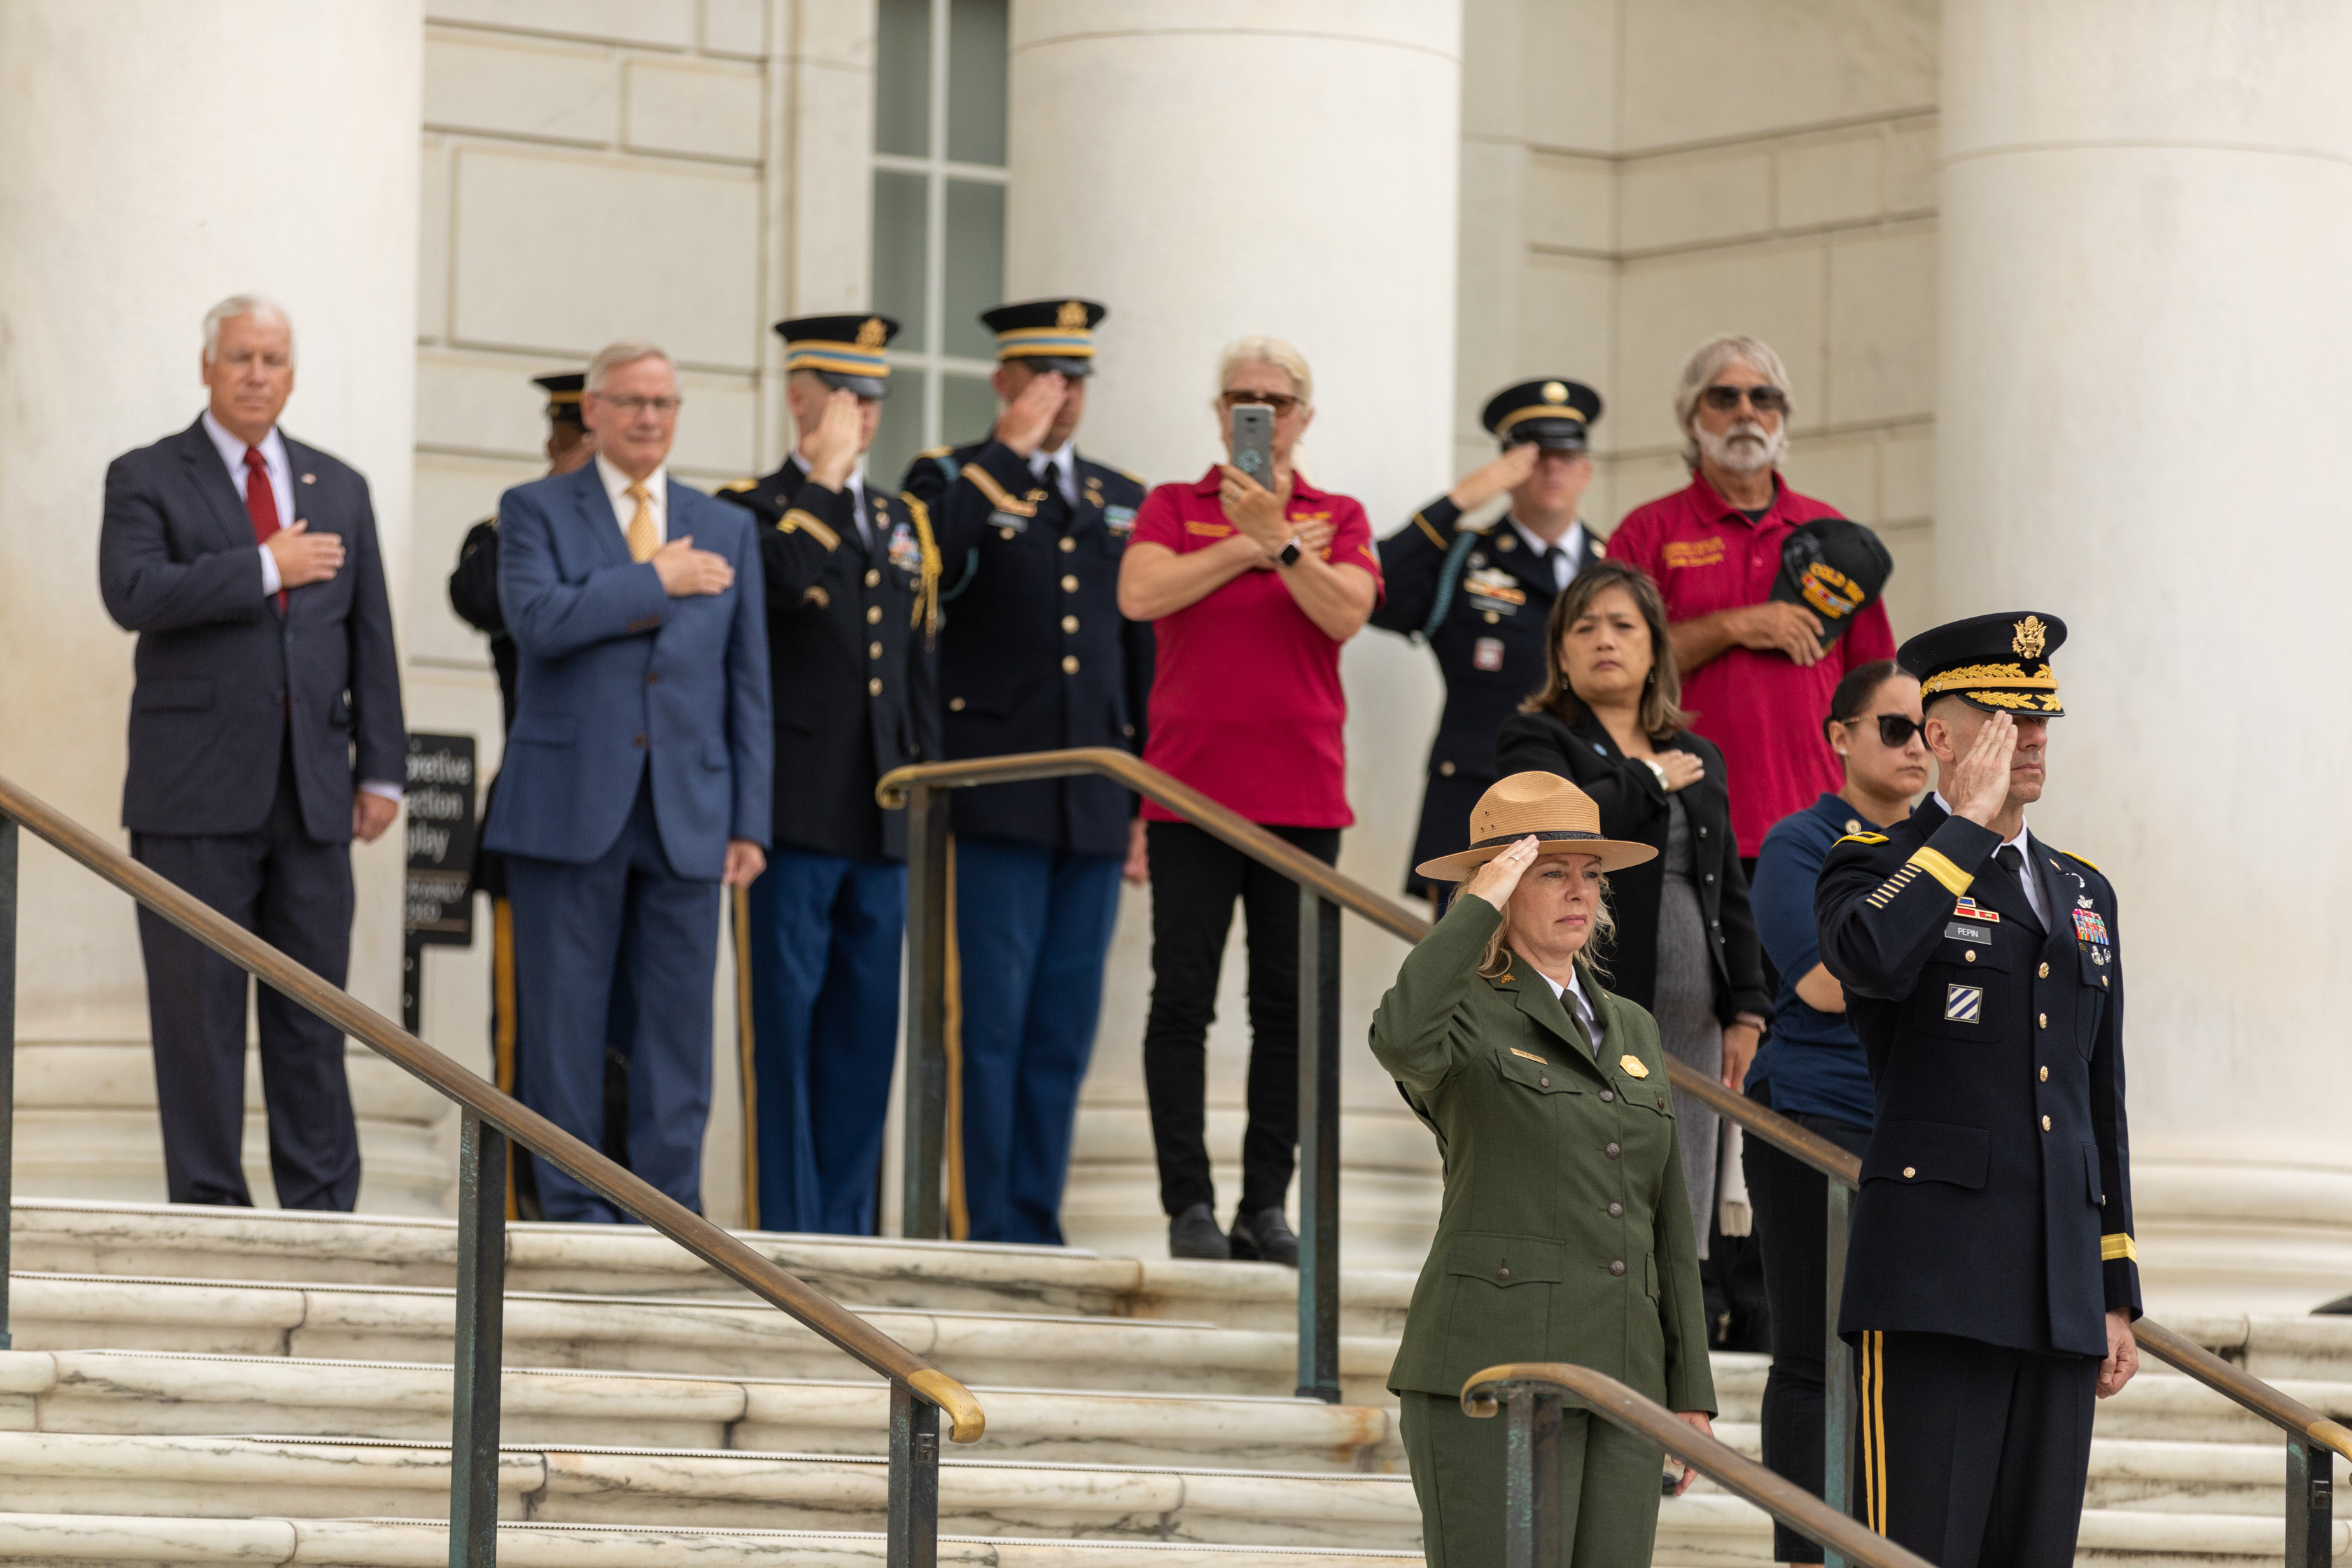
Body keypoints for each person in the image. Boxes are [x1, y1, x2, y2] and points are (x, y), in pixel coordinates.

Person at [1816, 612, 2138, 1567]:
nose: (2032, 738)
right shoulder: (1873, 863)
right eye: (2004, 718)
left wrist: (2115, 1285)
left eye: (2042, 718)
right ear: (1940, 737)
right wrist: (1959, 828)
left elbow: (2098, 1097)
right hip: (1934, 1278)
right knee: (1914, 1550)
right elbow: (1868, 961)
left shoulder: (2082, 891)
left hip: (2057, 1289)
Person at [97, 294, 404, 1211]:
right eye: (240, 357)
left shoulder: (337, 484)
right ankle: (209, 1208)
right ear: (207, 367)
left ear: (293, 372)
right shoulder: (146, 475)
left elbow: (370, 634)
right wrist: (265, 565)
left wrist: (381, 768)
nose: (257, 375)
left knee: (315, 1011)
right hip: (192, 795)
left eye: (273, 358)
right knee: (198, 1018)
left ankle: (322, 1212)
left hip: (312, 792)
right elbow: (133, 593)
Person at [1373, 771, 1715, 1565]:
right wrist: (1477, 908)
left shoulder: (1628, 1021)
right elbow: (1398, 1036)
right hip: (1492, 1366)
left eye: (1590, 873)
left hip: (1624, 1376)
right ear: (1497, 884)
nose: (1579, 891)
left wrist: (1689, 1389)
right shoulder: (1462, 1005)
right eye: (1548, 871)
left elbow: (1668, 1213)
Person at [483, 337, 771, 1224]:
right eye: (633, 402)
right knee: (563, 1019)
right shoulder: (533, 510)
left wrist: (750, 819)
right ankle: (571, 1203)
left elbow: (747, 682)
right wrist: (655, 579)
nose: (651, 417)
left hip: (691, 806)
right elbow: (538, 620)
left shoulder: (725, 525)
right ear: (594, 411)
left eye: (665, 404)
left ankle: (670, 1209)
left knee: (679, 1025)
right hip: (570, 805)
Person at [1116, 335, 1381, 1264]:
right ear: (1218, 411)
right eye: (1238, 397)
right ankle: (1187, 1204)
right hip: (1186, 794)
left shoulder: (1337, 515)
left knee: (1287, 1007)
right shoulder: (1171, 505)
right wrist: (1248, 542)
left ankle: (1265, 1205)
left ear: (1304, 416)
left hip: (1302, 798)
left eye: (1274, 399)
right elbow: (1141, 594)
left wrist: (1283, 542)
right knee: (1181, 1000)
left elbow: (1347, 611)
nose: (1254, 411)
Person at [897, 298, 1154, 1245]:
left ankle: (1035, 1215)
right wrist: (1003, 452)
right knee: (990, 1022)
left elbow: (1139, 652)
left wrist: (1142, 798)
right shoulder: (950, 476)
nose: (1063, 396)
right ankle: (982, 1217)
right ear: (1004, 380)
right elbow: (929, 570)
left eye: (1075, 379)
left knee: (1061, 1029)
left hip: (1090, 801)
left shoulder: (1120, 494)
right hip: (992, 791)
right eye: (1046, 377)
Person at [713, 314, 939, 1236]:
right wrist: (822, 480)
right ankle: (784, 1224)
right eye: (847, 398)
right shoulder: (749, 506)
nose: (863, 417)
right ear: (802, 398)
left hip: (882, 817)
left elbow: (918, 673)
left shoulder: (902, 521)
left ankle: (846, 1227)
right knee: (786, 1034)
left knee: (862, 1037)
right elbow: (777, 582)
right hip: (792, 816)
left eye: (874, 400)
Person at [1494, 560, 1769, 1259]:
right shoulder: (1535, 738)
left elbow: (1726, 884)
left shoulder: (1697, 752)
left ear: (1654, 648)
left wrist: (1746, 1006)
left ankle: (1674, 1346)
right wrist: (1645, 777)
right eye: (1585, 628)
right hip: (1582, 998)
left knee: (1678, 1202)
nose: (1604, 639)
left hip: (1691, 1018)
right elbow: (1561, 827)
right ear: (1561, 652)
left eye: (1623, 625)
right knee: (1593, 1197)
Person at [1741, 659, 1926, 1567]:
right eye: (1894, 727)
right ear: (1840, 737)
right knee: (1815, 1356)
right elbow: (1821, 982)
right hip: (1815, 1118)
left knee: (1903, 1364)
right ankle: (1804, 1555)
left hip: (1916, 1130)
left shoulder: (1955, 845)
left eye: (1929, 728)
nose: (1917, 745)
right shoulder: (1800, 842)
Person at [1604, 335, 1896, 869]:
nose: (1746, 412)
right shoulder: (1646, 533)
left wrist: (1887, 813)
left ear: (1782, 418)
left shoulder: (1834, 535)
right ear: (1691, 418)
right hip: (1684, 828)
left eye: (1764, 399)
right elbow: (1608, 673)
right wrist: (1732, 626)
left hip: (1825, 829)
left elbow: (1877, 688)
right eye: (1723, 398)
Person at [447, 370, 598, 1217]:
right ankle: (523, 1207)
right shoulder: (513, 530)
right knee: (533, 1030)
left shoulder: (659, 532)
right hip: (539, 814)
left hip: (641, 826)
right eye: (573, 441)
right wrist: (546, 507)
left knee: (628, 1039)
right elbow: (476, 596)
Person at [1373, 378, 1608, 903]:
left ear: (1586, 470)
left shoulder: (1612, 568)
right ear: (1508, 467)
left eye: (1566, 454)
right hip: (1473, 807)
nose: (1552, 467)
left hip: (1585, 802)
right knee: (1461, 974)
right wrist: (1461, 500)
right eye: (1535, 454)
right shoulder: (1463, 559)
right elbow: (1374, 586)